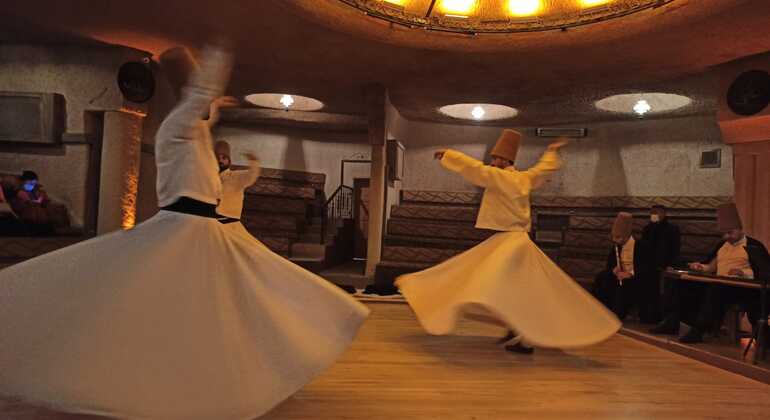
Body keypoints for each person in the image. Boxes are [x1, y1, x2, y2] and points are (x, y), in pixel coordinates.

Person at [0, 43, 368, 420]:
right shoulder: (178, 126)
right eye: (197, 96)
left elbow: (202, 118)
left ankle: (208, 379)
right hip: (183, 230)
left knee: (243, 299)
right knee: (171, 308)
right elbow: (198, 102)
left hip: (205, 232)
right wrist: (220, 52)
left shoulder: (194, 134)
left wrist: (214, 106)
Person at [395, 129, 620, 355]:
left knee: (480, 279)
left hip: (512, 242)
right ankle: (517, 329)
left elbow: (475, 169)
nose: (492, 162)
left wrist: (449, 155)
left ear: (504, 161)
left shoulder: (501, 177)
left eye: (495, 158)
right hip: (516, 239)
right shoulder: (523, 178)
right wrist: (551, 151)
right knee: (512, 289)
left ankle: (523, 335)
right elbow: (542, 169)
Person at [651, 203, 769, 343]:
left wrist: (743, 272)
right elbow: (711, 267)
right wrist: (701, 267)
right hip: (721, 283)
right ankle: (675, 321)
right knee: (685, 285)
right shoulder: (722, 245)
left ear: (739, 229)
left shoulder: (753, 245)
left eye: (730, 233)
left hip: (744, 289)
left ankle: (699, 330)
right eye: (724, 233)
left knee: (715, 290)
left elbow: (763, 271)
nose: (727, 237)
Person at [592, 212, 643, 320]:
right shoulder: (616, 246)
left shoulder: (640, 246)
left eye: (618, 237)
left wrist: (630, 274)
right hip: (619, 275)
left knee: (624, 285)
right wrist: (614, 270)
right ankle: (599, 310)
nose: (616, 240)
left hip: (635, 277)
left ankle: (617, 314)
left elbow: (646, 268)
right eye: (614, 237)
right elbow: (610, 264)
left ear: (626, 235)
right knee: (602, 277)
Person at [636, 204, 681, 323]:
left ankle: (661, 316)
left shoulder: (672, 229)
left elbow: (675, 249)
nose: (654, 215)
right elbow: (644, 248)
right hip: (649, 264)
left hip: (666, 264)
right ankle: (646, 316)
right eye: (652, 213)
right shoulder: (647, 229)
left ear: (664, 214)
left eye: (657, 212)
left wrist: (671, 264)